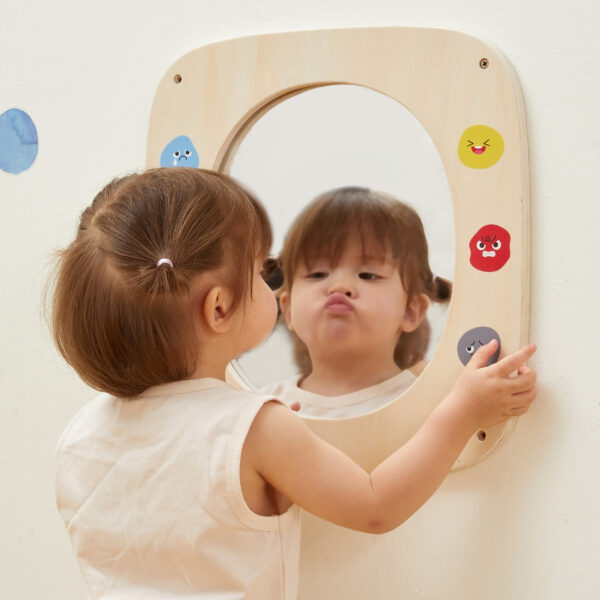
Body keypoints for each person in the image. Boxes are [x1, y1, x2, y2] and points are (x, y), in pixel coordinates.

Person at [50, 169, 536, 599]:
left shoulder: (80, 434)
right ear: (219, 307)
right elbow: (375, 506)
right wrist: (461, 411)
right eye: (261, 271)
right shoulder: (257, 427)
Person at [265, 186, 452, 417]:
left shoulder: (433, 406)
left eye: (367, 275)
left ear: (410, 311)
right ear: (289, 310)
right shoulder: (264, 408)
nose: (339, 286)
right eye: (318, 274)